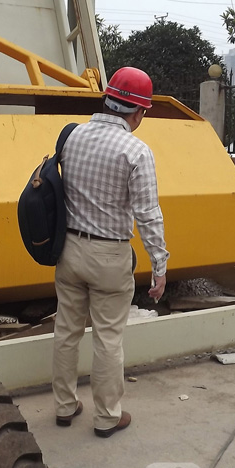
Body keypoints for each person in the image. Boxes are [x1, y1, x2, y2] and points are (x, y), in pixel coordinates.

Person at [52, 66, 169, 439]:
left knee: (66, 330)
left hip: (69, 249)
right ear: (139, 112)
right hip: (109, 256)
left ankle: (64, 406)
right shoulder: (135, 150)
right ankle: (106, 417)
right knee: (107, 338)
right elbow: (148, 214)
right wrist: (160, 265)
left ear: (107, 99)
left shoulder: (72, 136)